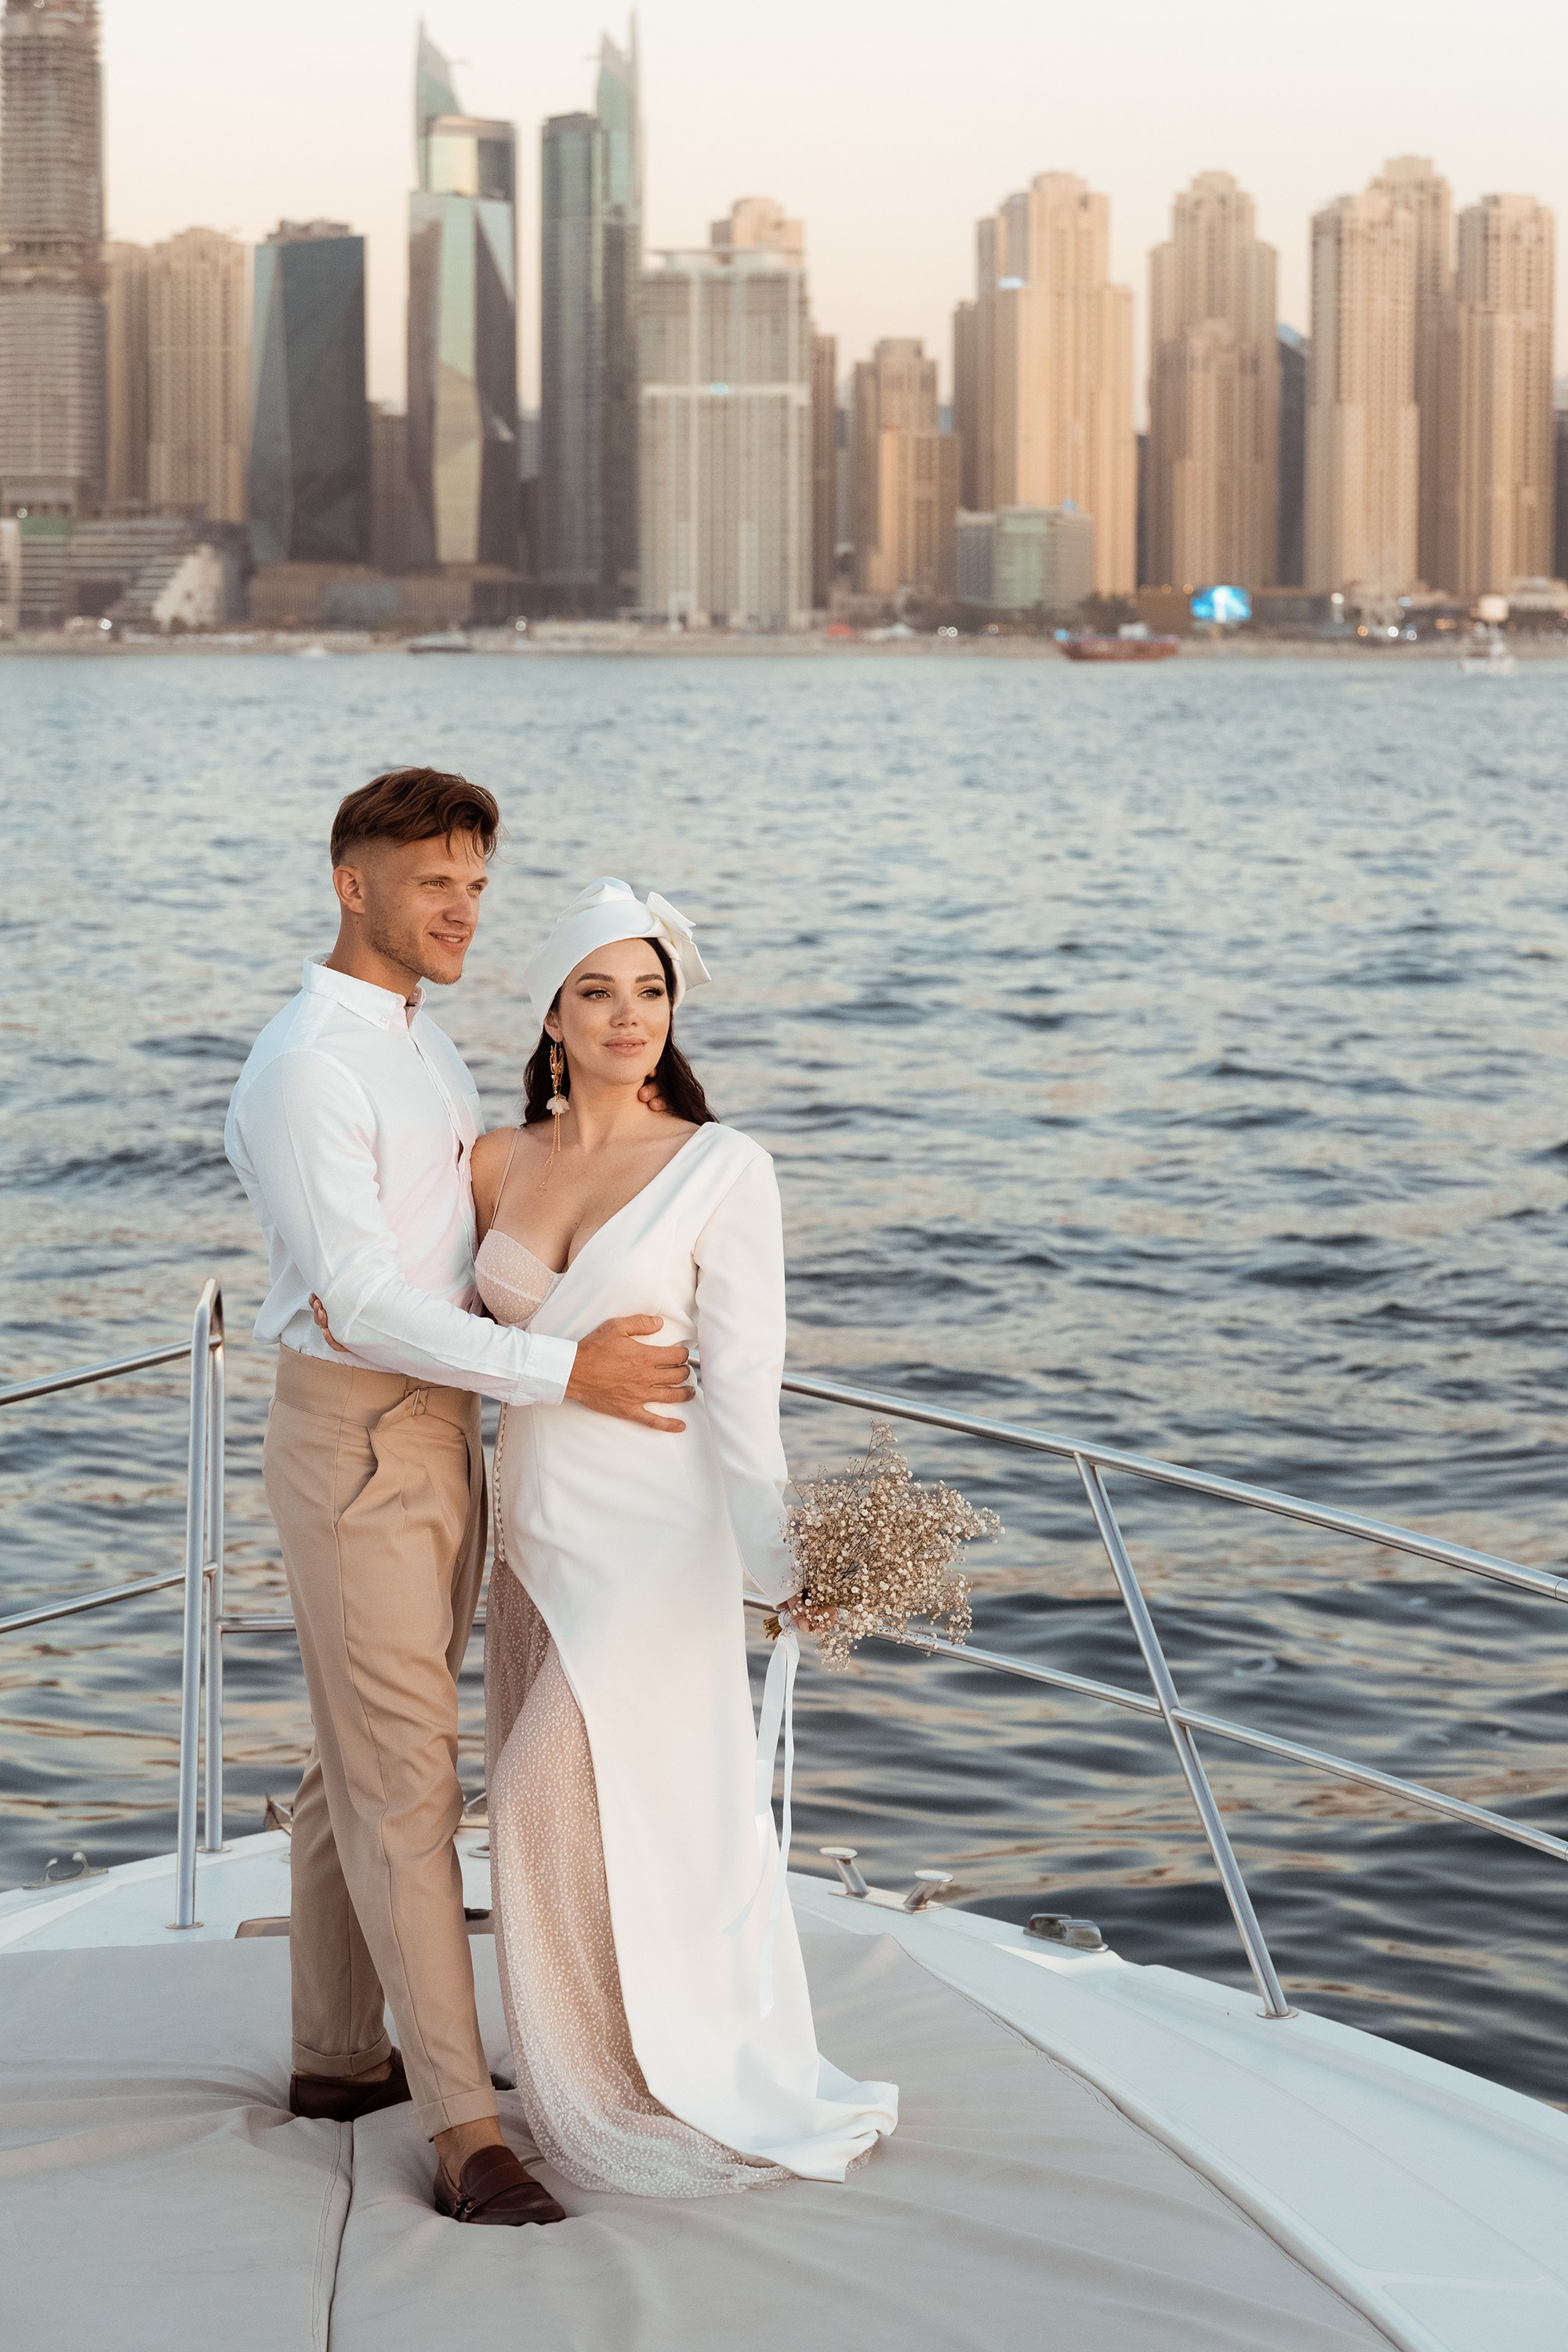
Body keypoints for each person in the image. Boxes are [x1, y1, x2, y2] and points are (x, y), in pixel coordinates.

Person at [224, 770, 694, 2229]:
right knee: (405, 1787)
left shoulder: (421, 1051)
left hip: (440, 1436)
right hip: (364, 1437)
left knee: (350, 1767)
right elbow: (362, 1301)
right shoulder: (314, 1064)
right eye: (433, 881)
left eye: (478, 884)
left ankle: (334, 2058)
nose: (462, 910)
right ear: (351, 884)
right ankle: (465, 2129)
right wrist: (562, 1371)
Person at [467, 877, 898, 2193]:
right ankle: (582, 2048)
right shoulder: (495, 1159)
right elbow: (443, 1342)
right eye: (598, 991)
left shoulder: (723, 1168)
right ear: (550, 1011)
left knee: (544, 1797)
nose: (629, 1017)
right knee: (587, 1817)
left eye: (650, 991)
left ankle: (618, 2083)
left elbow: (746, 1400)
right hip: (532, 1529)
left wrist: (786, 1574)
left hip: (659, 1547)